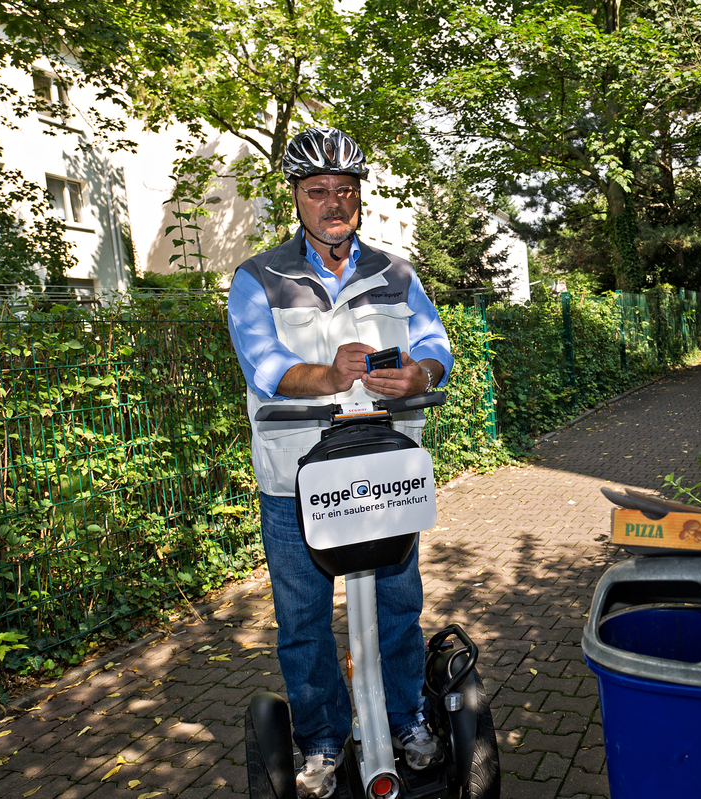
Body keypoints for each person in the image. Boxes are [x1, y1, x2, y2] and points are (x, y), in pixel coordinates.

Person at [227, 126, 453, 799]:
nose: (333, 202)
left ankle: (407, 718)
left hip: (383, 468)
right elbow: (262, 364)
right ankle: (323, 739)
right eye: (319, 190)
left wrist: (421, 373)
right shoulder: (257, 277)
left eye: (345, 191)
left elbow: (435, 341)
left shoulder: (396, 273)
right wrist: (325, 376)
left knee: (396, 603)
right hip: (295, 478)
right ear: (296, 197)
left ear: (359, 198)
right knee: (301, 618)